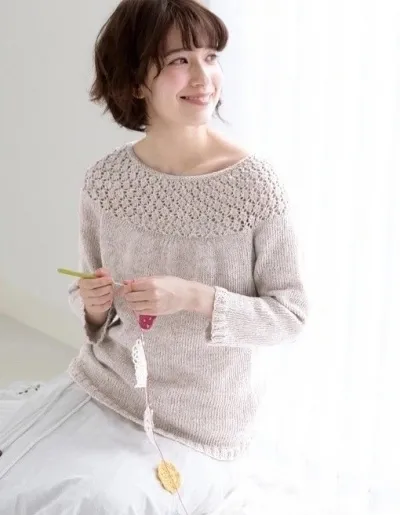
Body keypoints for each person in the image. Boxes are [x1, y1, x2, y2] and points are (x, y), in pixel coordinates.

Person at [0, 0, 309, 513]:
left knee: (92, 503)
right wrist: (94, 304)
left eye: (211, 56)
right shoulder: (106, 180)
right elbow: (91, 297)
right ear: (136, 81)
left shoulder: (255, 187)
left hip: (197, 424)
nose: (204, 77)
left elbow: (290, 317)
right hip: (104, 385)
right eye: (179, 61)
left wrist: (194, 297)